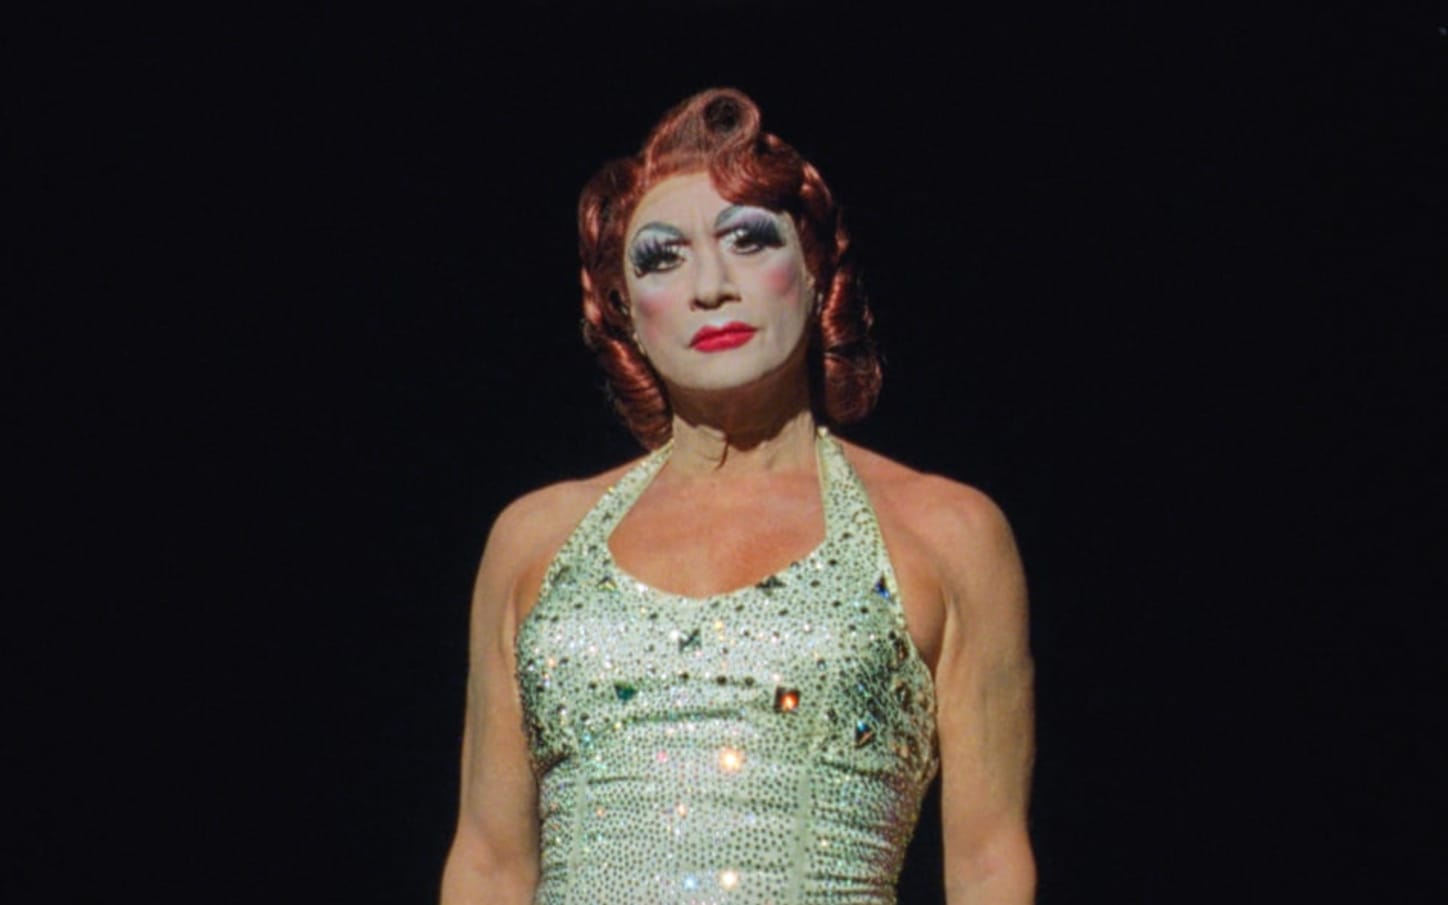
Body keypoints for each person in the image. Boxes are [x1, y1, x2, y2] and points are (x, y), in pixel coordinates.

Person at [440, 87, 1035, 905]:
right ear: (621, 308)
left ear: (815, 269)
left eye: (748, 240)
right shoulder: (534, 538)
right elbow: (489, 861)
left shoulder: (946, 531)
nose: (710, 286)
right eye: (663, 257)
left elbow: (988, 865)